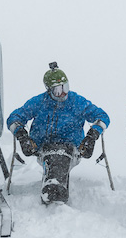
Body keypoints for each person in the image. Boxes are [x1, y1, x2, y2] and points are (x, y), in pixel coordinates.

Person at [7, 62, 110, 205]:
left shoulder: (76, 101)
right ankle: (53, 187)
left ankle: (55, 187)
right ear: (48, 90)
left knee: (60, 155)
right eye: (57, 90)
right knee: (53, 155)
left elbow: (103, 117)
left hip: (71, 147)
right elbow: (14, 118)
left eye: (65, 87)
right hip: (42, 147)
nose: (62, 93)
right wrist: (22, 135)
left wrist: (92, 136)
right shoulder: (39, 102)